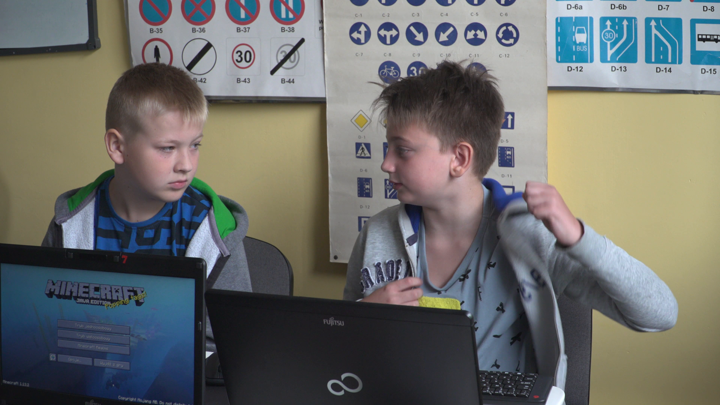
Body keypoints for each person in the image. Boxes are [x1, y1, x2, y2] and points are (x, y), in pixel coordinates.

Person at [343, 61, 677, 390]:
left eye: (403, 150)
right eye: (388, 148)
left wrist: (579, 238)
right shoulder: (377, 232)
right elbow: (339, 345)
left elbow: (659, 314)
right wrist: (363, 316)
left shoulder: (530, 235)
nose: (386, 164)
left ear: (459, 158)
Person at [42, 63, 252, 350]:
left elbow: (232, 346)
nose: (186, 165)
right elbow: (49, 320)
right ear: (117, 146)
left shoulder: (215, 232)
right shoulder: (69, 224)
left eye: (195, 145)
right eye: (168, 148)